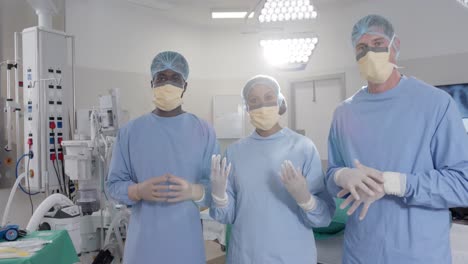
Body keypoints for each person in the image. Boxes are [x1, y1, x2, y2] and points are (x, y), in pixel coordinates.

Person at [326, 14, 468, 263]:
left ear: (396, 45)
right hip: (361, 252)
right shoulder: (344, 113)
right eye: (361, 47)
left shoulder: (435, 104)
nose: (369, 52)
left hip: (419, 254)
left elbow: (462, 184)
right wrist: (341, 176)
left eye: (378, 43)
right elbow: (331, 177)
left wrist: (395, 183)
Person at [106, 51, 219, 263]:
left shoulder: (203, 131)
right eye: (161, 77)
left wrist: (194, 190)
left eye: (175, 77)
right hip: (143, 245)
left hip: (186, 242)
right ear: (152, 83)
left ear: (185, 86)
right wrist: (137, 190)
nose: (168, 82)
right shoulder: (131, 132)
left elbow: (218, 188)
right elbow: (113, 185)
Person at [210, 75, 335, 263]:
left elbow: (323, 218)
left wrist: (306, 199)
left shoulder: (303, 147)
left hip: (293, 255)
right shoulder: (234, 153)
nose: (262, 105)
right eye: (254, 100)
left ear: (280, 102)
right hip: (245, 255)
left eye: (268, 97)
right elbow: (227, 216)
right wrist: (220, 197)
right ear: (247, 108)